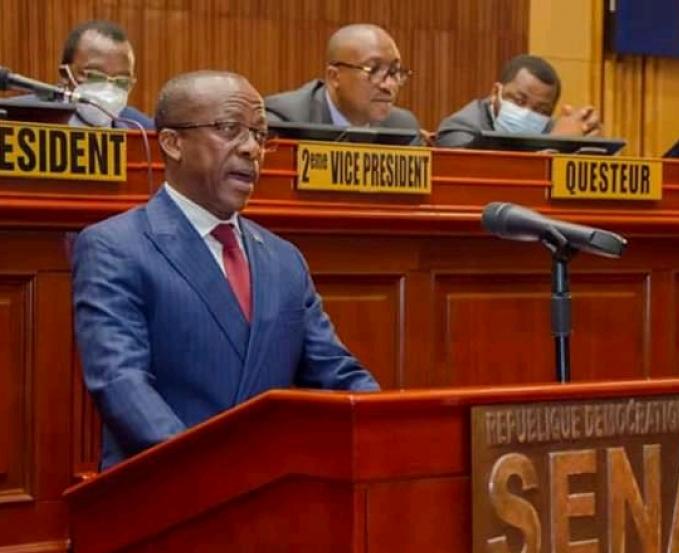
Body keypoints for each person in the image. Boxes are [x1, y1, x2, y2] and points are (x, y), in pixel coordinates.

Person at [72, 70, 379, 470]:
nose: (251, 148)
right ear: (172, 143)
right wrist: (211, 473)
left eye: (259, 134)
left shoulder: (284, 259)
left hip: (272, 498)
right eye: (230, 129)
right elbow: (121, 384)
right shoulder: (116, 246)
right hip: (168, 496)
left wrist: (385, 424)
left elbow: (336, 373)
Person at [265, 24, 419, 130]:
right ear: (334, 77)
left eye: (394, 71)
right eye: (373, 70)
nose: (389, 85)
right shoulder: (287, 122)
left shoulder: (402, 127)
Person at [436, 54, 602, 148]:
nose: (527, 113)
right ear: (495, 93)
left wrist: (583, 142)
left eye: (541, 110)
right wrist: (555, 144)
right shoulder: (459, 128)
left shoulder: (549, 127)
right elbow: (486, 177)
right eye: (519, 101)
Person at [59, 20, 153, 129]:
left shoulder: (141, 129)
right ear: (65, 75)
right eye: (95, 76)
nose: (108, 89)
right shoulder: (36, 117)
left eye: (122, 81)